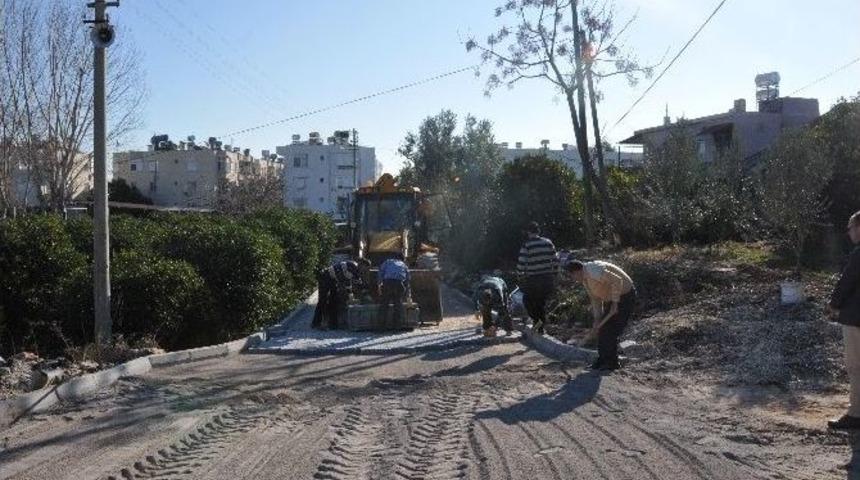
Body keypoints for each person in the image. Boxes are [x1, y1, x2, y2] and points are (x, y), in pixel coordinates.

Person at [565, 259, 636, 371]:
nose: (572, 279)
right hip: (612, 299)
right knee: (602, 329)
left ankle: (612, 363)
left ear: (576, 271)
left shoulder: (594, 270)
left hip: (625, 296)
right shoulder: (586, 280)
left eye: (571, 276)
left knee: (610, 330)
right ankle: (602, 360)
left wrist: (615, 303)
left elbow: (617, 280)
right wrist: (597, 319)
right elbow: (596, 300)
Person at [828, 210, 860, 430]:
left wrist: (833, 304)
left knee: (855, 366)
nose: (849, 233)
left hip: (856, 318)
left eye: (850, 228)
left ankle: (856, 414)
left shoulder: (858, 254)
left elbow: (847, 281)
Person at [516, 222, 558, 334]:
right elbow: (555, 260)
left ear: (528, 232)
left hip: (533, 279)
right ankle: (540, 325)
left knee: (528, 300)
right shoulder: (548, 243)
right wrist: (554, 274)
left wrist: (519, 275)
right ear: (538, 231)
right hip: (547, 278)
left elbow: (521, 263)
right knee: (541, 302)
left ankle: (537, 321)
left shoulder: (527, 245)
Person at [312, 258, 372, 330]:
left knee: (333, 301)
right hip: (325, 277)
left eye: (366, 270)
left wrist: (363, 291)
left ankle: (332, 324)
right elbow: (346, 282)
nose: (364, 271)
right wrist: (351, 295)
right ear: (361, 264)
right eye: (364, 268)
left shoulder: (356, 271)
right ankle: (316, 323)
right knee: (323, 300)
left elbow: (356, 283)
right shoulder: (352, 266)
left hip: (333, 280)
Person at [378, 253, 411, 328]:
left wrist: (379, 285)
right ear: (402, 259)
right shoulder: (404, 265)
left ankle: (381, 326)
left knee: (384, 304)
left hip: (387, 283)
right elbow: (408, 280)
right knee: (398, 304)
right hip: (399, 284)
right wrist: (408, 294)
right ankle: (397, 325)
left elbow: (380, 273)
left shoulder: (387, 262)